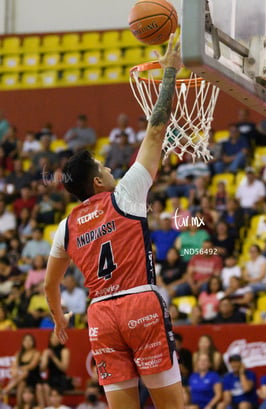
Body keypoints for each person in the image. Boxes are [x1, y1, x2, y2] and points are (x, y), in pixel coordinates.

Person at [44, 35, 184, 409]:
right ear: (98, 181)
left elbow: (49, 284)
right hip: (140, 304)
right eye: (105, 167)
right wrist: (170, 70)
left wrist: (59, 320)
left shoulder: (66, 227)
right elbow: (156, 132)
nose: (110, 169)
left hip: (100, 315)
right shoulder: (126, 194)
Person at [2, 333, 41, 406]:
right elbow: (14, 366)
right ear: (22, 342)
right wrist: (15, 371)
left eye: (30, 340)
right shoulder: (19, 353)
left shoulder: (36, 353)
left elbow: (32, 366)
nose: (28, 342)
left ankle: (7, 389)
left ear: (33, 342)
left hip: (33, 378)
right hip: (20, 379)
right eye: (26, 340)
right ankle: (19, 406)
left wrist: (19, 369)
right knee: (21, 384)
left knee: (25, 372)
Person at [36, 332, 73, 407]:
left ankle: (50, 407)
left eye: (57, 337)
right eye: (52, 337)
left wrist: (53, 358)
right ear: (50, 339)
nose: (54, 339)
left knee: (47, 387)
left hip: (61, 379)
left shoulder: (64, 351)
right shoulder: (47, 351)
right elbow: (42, 369)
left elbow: (64, 368)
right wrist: (44, 359)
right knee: (39, 386)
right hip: (51, 378)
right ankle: (43, 407)